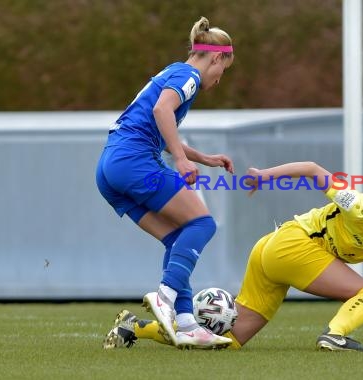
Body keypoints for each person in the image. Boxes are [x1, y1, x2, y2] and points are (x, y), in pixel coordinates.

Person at [103, 140, 363, 352]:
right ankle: (335, 336)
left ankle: (135, 329)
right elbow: (312, 170)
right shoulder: (362, 206)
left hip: (272, 253)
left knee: (231, 340)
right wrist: (263, 176)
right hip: (292, 246)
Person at [96, 16, 235, 350]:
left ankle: (186, 323)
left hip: (110, 167)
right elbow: (162, 111)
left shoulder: (173, 71)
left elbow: (159, 124)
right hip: (133, 161)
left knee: (177, 238)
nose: (218, 80)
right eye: (223, 71)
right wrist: (182, 160)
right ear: (215, 57)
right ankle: (166, 298)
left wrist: (203, 158)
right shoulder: (188, 75)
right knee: (202, 224)